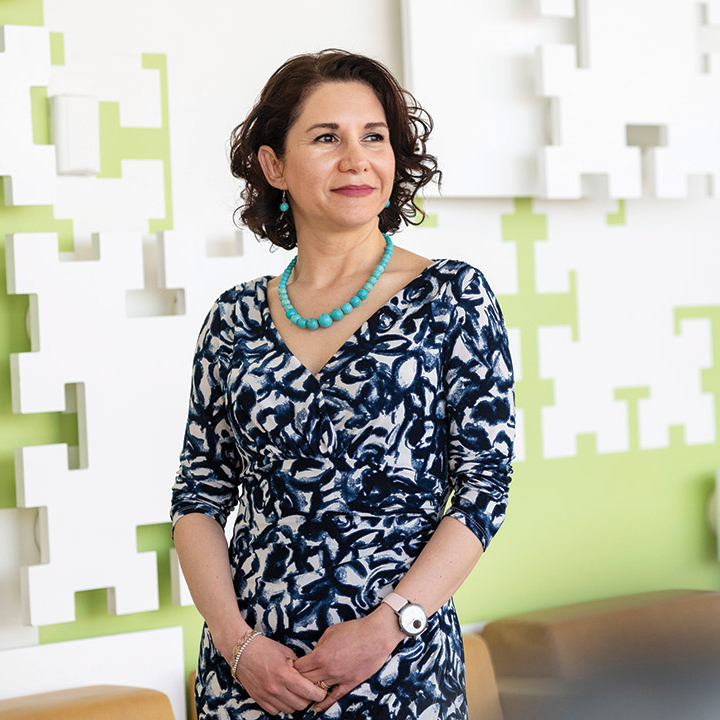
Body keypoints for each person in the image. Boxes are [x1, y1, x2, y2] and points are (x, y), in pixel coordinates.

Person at [170, 49, 515, 719]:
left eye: (374, 137)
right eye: (327, 138)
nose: (356, 159)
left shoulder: (451, 296)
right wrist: (238, 646)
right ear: (275, 165)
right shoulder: (234, 318)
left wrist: (387, 628)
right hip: (251, 681)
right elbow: (197, 497)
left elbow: (483, 490)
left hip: (397, 672)